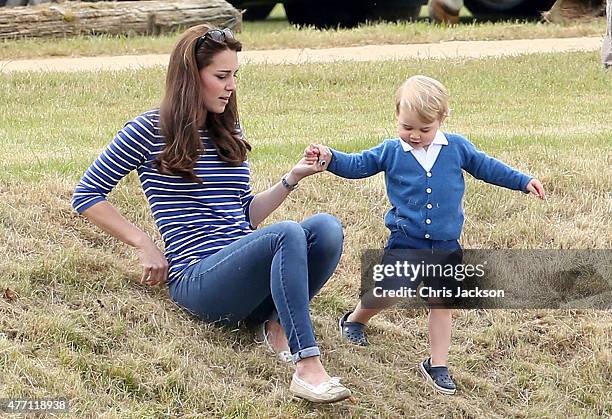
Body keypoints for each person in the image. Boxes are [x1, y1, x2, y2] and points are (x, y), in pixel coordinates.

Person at [71, 24, 351, 404]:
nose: (231, 85)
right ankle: (308, 368)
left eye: (235, 75)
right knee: (286, 233)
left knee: (326, 227)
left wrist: (291, 178)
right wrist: (144, 243)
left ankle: (272, 322)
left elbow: (246, 216)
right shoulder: (149, 129)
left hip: (240, 270)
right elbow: (87, 194)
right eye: (221, 76)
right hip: (196, 280)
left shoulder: (228, 129)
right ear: (191, 76)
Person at [306, 75, 545, 395]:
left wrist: (522, 181)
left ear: (441, 119)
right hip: (406, 239)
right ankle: (355, 319)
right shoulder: (391, 151)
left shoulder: (457, 148)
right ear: (396, 117)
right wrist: (330, 157)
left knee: (442, 302)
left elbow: (488, 167)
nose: (415, 135)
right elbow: (358, 164)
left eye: (424, 129)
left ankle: (437, 363)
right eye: (407, 127)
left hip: (446, 244)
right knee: (390, 290)